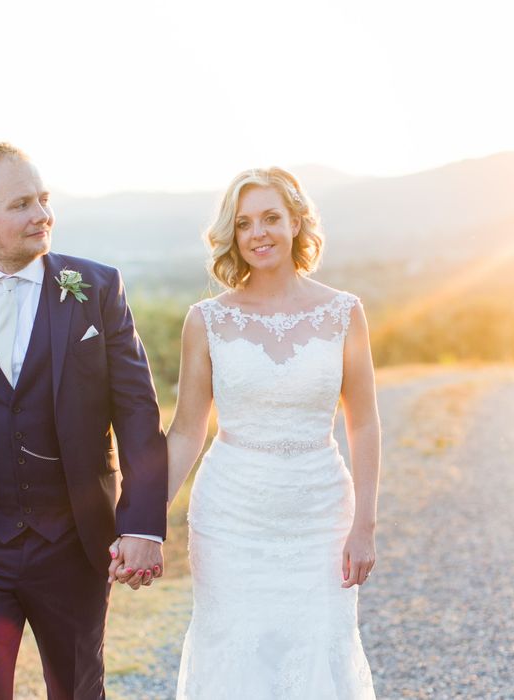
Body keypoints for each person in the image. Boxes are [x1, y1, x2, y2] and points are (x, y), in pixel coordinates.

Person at [0, 142, 168, 699]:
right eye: (21, 203)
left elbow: (138, 411)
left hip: (73, 542)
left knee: (77, 690)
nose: (42, 215)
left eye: (44, 199)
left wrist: (142, 523)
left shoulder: (96, 287)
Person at [168, 167, 380, 698]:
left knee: (316, 652)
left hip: (319, 516)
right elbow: (187, 431)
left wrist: (365, 526)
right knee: (236, 654)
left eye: (270, 218)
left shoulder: (343, 312)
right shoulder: (207, 320)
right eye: (243, 223)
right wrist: (142, 521)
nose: (258, 233)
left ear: (296, 223)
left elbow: (364, 422)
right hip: (230, 518)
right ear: (232, 235)